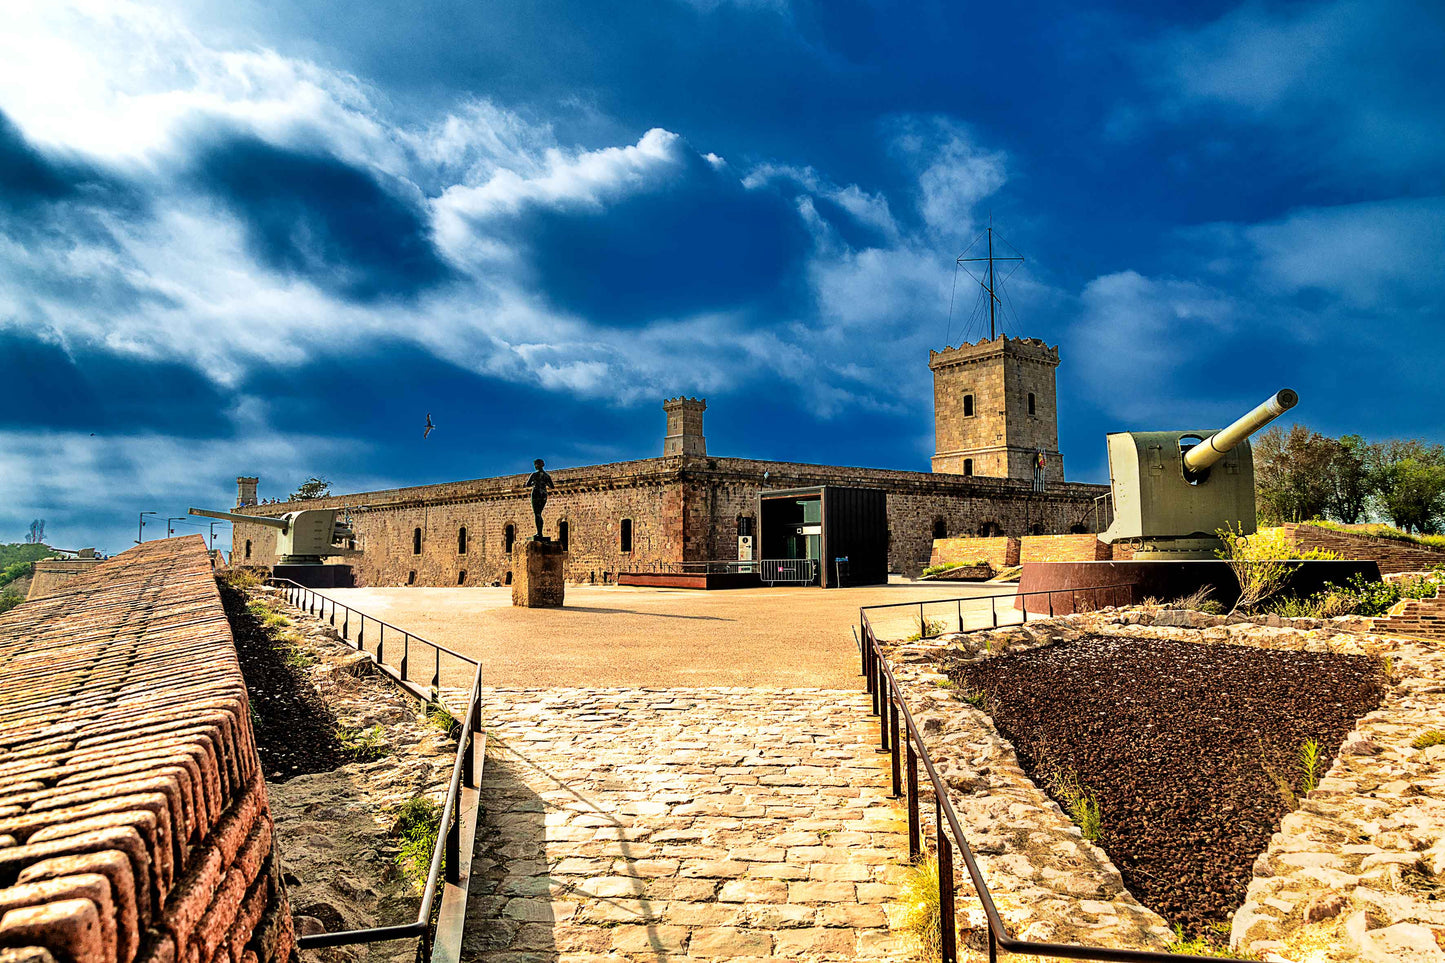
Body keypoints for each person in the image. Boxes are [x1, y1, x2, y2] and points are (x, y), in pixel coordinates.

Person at [526, 458, 555, 540]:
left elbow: (527, 485)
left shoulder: (534, 475)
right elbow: (552, 486)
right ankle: (540, 533)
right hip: (544, 493)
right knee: (539, 513)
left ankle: (539, 533)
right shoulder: (547, 476)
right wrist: (544, 482)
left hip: (536, 492)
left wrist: (535, 483)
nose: (535, 466)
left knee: (537, 514)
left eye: (536, 464)